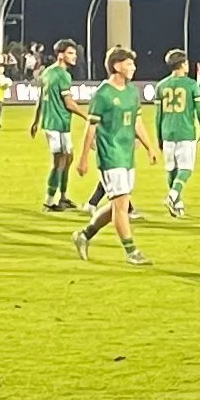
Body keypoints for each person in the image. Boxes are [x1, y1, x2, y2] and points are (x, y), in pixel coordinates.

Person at [71, 46, 154, 265]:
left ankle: (84, 235)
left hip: (127, 155)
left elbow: (137, 122)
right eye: (129, 64)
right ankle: (131, 251)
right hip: (110, 155)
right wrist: (82, 159)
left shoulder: (130, 92)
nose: (133, 68)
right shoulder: (103, 94)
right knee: (121, 205)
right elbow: (91, 127)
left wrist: (149, 147)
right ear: (116, 66)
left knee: (120, 204)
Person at [155, 47, 200, 217]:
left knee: (171, 169)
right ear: (183, 64)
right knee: (185, 169)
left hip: (167, 132)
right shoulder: (191, 85)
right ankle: (172, 197)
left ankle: (177, 204)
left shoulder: (161, 86)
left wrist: (159, 137)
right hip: (185, 132)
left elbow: (158, 115)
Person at [35, 39, 84, 210]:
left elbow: (41, 97)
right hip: (58, 123)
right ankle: (49, 202)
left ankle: (63, 197)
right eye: (71, 53)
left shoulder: (47, 72)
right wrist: (88, 117)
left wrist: (36, 121)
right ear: (61, 55)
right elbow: (69, 103)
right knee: (59, 161)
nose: (75, 57)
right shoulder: (63, 75)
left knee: (68, 159)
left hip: (52, 122)